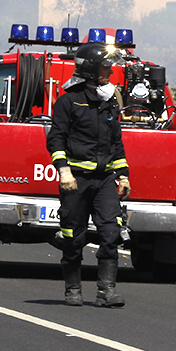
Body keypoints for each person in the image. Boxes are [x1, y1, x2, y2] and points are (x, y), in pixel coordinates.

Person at [48, 42, 131, 308]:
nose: (110, 71)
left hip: (104, 180)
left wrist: (123, 175)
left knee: (111, 232)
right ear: (90, 70)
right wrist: (64, 172)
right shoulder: (69, 101)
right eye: (105, 67)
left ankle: (106, 291)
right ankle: (73, 289)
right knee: (73, 237)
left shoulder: (109, 102)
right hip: (76, 181)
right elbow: (56, 139)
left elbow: (116, 142)